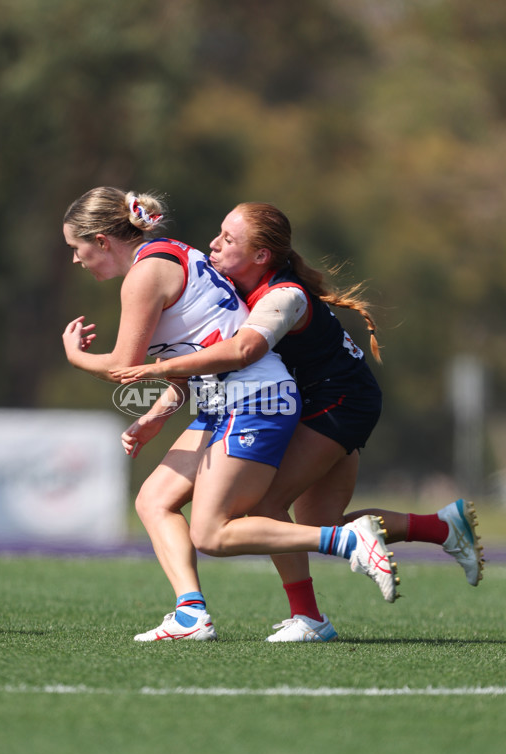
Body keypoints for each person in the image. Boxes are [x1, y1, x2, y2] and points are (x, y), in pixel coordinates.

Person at [113, 202, 483, 642]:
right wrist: (158, 412)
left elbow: (240, 353)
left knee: (266, 505)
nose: (213, 244)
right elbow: (206, 367)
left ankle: (309, 618)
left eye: (228, 240)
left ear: (262, 256)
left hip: (337, 403)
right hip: (313, 401)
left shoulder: (282, 296)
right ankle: (441, 527)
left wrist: (145, 370)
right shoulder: (228, 284)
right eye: (218, 233)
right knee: (321, 521)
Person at [62, 187, 400, 641]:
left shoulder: (143, 275)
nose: (76, 260)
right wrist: (160, 414)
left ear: (102, 240)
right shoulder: (172, 254)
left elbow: (126, 366)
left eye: (76, 248)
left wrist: (75, 356)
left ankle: (345, 540)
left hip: (253, 399)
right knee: (153, 500)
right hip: (227, 400)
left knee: (212, 534)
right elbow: (198, 343)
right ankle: (191, 615)